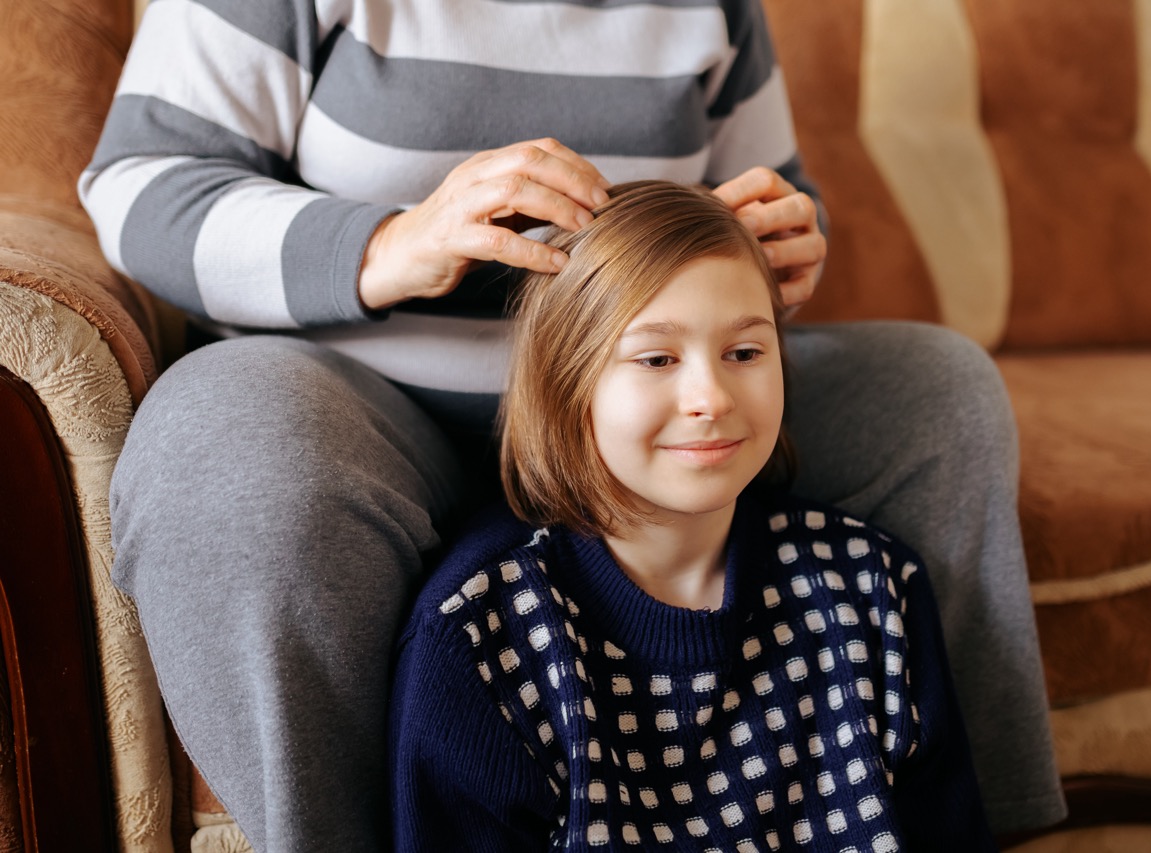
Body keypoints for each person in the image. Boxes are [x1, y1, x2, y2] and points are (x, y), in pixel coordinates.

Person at [84, 0, 1064, 848]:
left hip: (639, 392)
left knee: (935, 388)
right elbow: (140, 190)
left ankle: (983, 815)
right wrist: (394, 241)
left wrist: (783, 239)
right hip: (367, 402)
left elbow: (766, 196)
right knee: (228, 452)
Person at [389, 179, 997, 851]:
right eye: (657, 358)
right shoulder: (480, 638)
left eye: (744, 352)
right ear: (568, 382)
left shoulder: (875, 587)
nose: (710, 396)